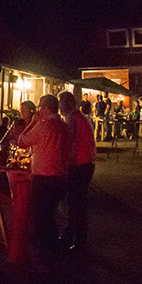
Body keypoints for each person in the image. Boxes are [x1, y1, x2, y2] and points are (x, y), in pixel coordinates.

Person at [18, 95, 72, 256]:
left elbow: (22, 141)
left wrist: (33, 122)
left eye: (41, 107)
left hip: (44, 177)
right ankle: (54, 248)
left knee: (41, 217)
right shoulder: (64, 126)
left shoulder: (44, 126)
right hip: (60, 177)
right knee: (49, 216)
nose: (38, 110)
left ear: (47, 108)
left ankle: (48, 254)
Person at [59, 91, 96, 251]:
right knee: (78, 203)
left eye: (60, 103)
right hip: (87, 163)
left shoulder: (72, 119)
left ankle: (77, 241)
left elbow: (70, 143)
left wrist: (65, 165)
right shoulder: (81, 117)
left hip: (79, 165)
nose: (59, 107)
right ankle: (72, 236)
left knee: (76, 203)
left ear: (67, 104)